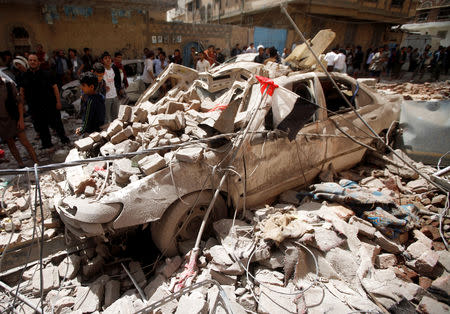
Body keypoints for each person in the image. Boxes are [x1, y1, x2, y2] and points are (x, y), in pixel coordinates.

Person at [20, 53, 70, 149]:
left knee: (57, 123)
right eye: (30, 60)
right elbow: (22, 90)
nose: (32, 62)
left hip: (49, 105)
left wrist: (58, 102)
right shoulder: (25, 76)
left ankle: (64, 139)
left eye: (34, 60)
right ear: (28, 62)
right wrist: (22, 105)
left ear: (38, 62)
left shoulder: (47, 73)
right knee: (41, 126)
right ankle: (47, 144)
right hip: (34, 107)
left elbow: (55, 88)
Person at [101, 51, 121, 123]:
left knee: (115, 118)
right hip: (107, 97)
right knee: (107, 118)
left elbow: (115, 82)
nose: (108, 60)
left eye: (109, 58)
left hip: (114, 95)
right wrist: (103, 87)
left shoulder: (113, 69)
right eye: (105, 58)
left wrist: (118, 92)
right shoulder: (102, 71)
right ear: (102, 61)